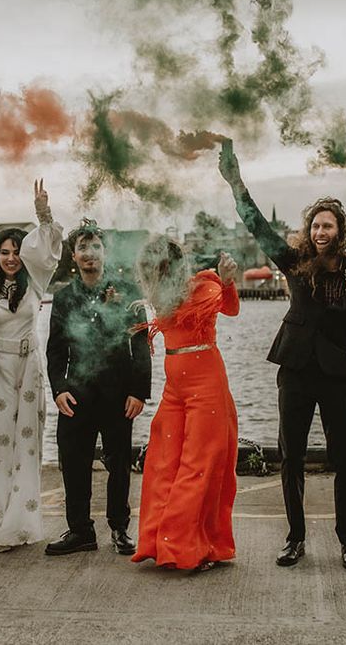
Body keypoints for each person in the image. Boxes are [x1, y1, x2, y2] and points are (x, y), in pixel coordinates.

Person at [218, 139, 346, 571]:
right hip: (295, 370)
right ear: (309, 230)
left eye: (328, 227)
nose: (320, 233)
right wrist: (235, 181)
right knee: (291, 456)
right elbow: (257, 226)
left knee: (344, 461)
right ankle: (295, 538)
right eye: (315, 226)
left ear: (340, 232)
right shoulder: (293, 262)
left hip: (336, 375)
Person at [132, 239, 239, 571]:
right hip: (174, 386)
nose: (156, 273)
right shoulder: (160, 294)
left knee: (200, 464)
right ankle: (157, 542)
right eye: (151, 268)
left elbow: (231, 308)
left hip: (206, 381)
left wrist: (227, 280)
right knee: (163, 462)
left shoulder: (204, 283)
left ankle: (186, 546)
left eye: (161, 266)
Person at [45, 220, 151, 556]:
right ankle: (80, 531)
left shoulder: (128, 290)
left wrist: (139, 390)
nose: (90, 254)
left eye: (96, 247)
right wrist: (59, 388)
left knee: (119, 463)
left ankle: (119, 528)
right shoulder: (63, 298)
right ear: (73, 256)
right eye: (83, 248)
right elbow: (56, 349)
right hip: (76, 392)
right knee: (73, 463)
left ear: (105, 253)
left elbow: (141, 342)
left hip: (119, 393)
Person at [0, 180, 63, 551]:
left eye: (15, 252)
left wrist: (42, 211)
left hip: (29, 370)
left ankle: (21, 520)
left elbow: (51, 243)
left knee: (27, 445)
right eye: (4, 252)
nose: (10, 258)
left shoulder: (35, 282)